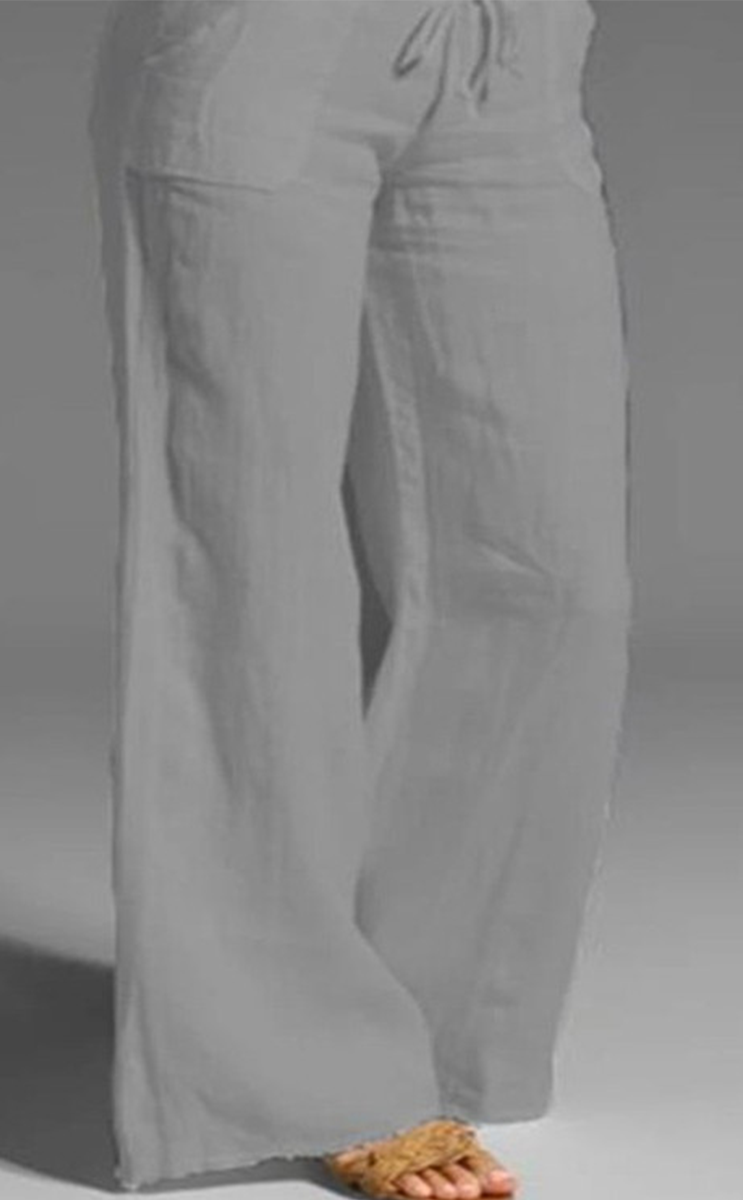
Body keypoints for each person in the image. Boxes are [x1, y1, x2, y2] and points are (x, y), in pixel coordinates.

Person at [86, 0, 633, 1195]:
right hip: (264, 42)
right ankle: (300, 1067)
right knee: (246, 579)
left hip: (512, 54)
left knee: (546, 575)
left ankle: (412, 1021)